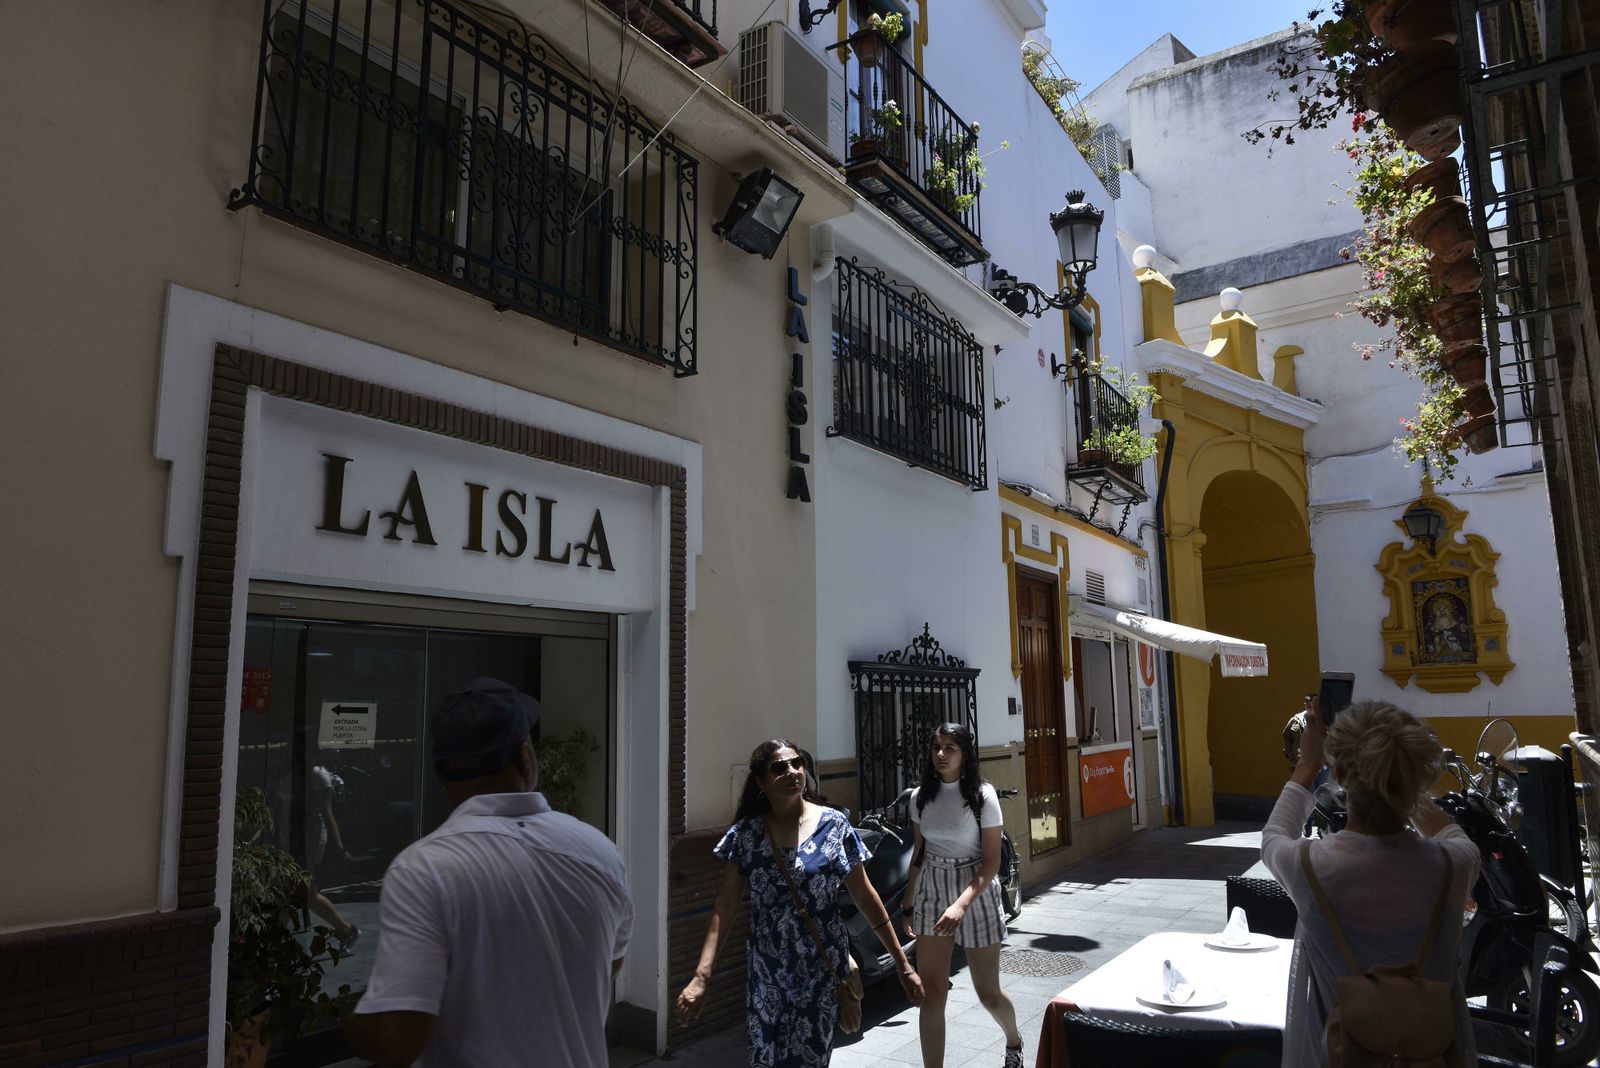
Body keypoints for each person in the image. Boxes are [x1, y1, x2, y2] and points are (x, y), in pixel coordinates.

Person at [345, 678, 633, 1068]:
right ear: (526, 757)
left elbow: (397, 1040)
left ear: (442, 775)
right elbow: (609, 963)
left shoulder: (424, 870)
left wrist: (357, 1020)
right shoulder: (599, 850)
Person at [675, 738, 924, 1066]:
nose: (793, 771)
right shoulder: (747, 835)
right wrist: (702, 976)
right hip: (768, 974)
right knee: (766, 1059)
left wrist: (903, 965)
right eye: (780, 768)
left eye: (797, 764)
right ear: (762, 782)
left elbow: (865, 896)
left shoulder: (833, 825)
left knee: (809, 1060)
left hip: (820, 973)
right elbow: (726, 907)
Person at [1262, 699, 1479, 1067]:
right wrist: (1403, 784)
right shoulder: (1452, 864)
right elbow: (1453, 833)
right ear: (1415, 778)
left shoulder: (1309, 866)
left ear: (1341, 776)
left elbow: (1274, 835)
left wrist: (1309, 761)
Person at [899, 723, 1023, 1068]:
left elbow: (992, 861)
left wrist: (960, 904)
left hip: (976, 889)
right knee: (931, 993)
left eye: (950, 748)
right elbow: (920, 852)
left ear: (965, 753)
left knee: (988, 994)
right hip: (932, 886)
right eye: (937, 747)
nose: (941, 754)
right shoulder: (920, 796)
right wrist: (909, 903)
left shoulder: (983, 796)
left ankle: (1014, 1040)